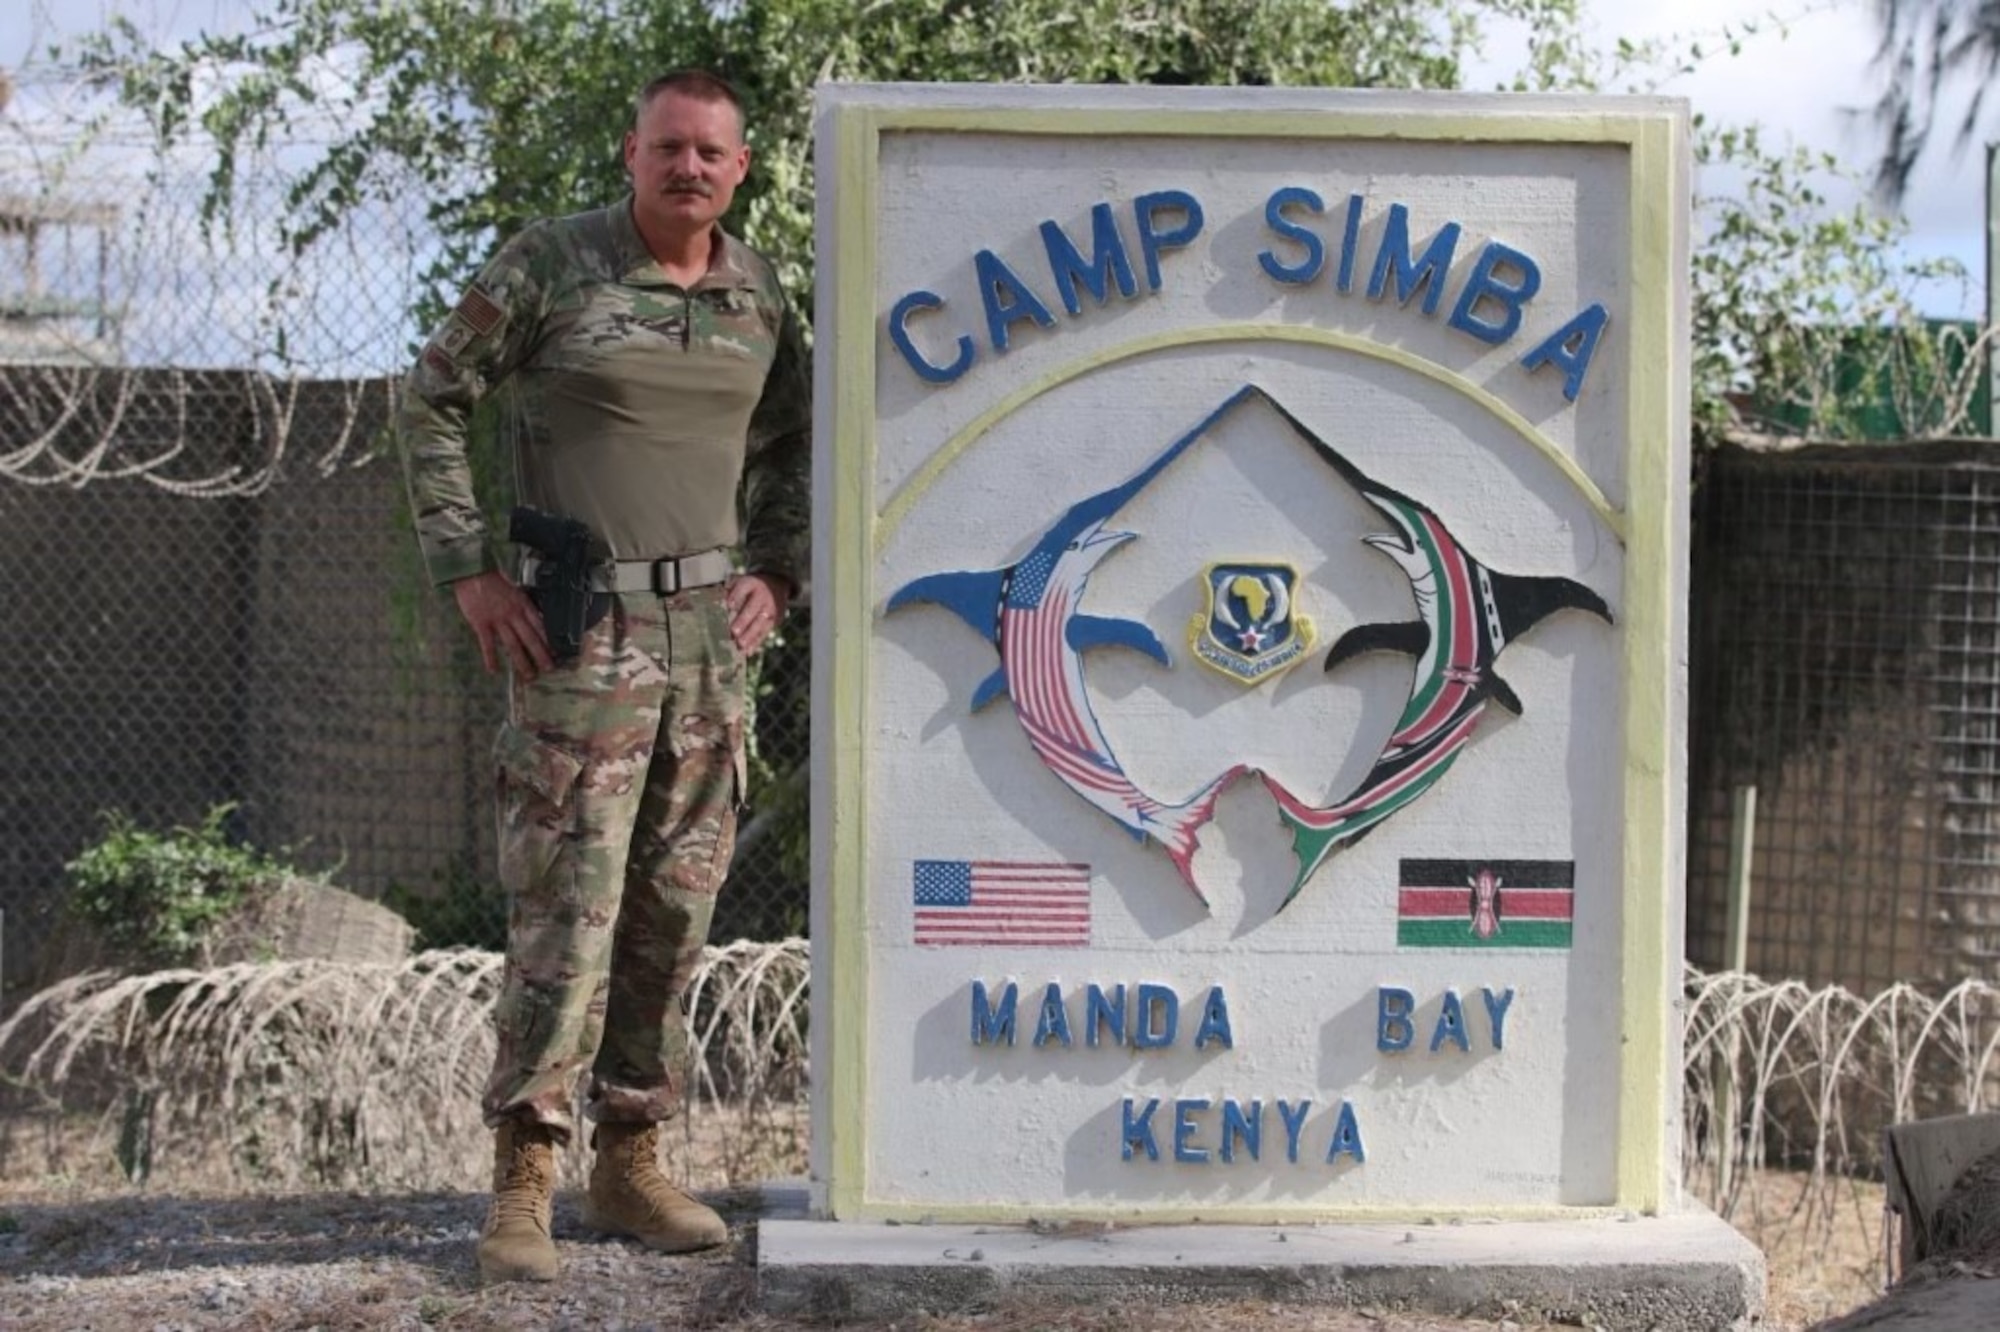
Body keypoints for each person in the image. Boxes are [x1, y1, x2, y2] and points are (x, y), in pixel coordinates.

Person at [394, 69, 809, 1285]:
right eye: (667, 148)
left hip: (709, 648)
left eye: (710, 153)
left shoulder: (758, 291)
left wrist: (777, 575)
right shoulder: (550, 266)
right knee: (564, 913)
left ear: (740, 169)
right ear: (631, 154)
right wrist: (470, 570)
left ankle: (631, 1163)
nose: (688, 168)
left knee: (672, 920)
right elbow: (428, 401)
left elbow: (791, 443)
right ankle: (522, 1180)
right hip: (581, 641)